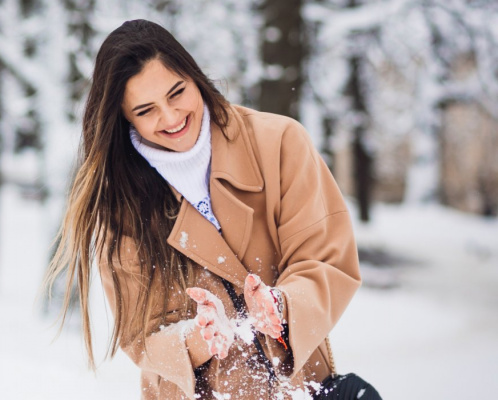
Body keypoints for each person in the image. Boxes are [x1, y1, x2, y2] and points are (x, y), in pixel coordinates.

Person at [45, 19, 361, 400]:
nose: (171, 117)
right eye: (146, 110)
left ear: (194, 76)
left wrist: (282, 306)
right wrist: (197, 337)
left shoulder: (279, 143)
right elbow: (140, 336)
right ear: (124, 118)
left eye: (177, 92)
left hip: (301, 388)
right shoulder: (121, 205)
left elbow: (325, 258)